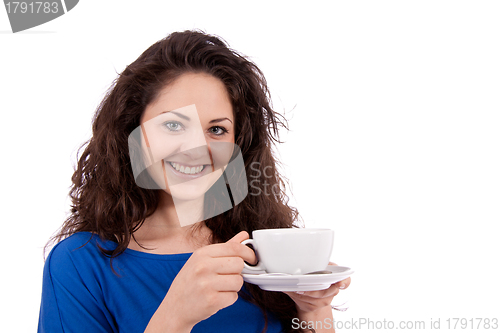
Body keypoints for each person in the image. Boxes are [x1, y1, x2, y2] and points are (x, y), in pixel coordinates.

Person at [38, 30, 351, 333]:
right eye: (174, 124)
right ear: (132, 131)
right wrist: (174, 317)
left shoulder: (268, 253)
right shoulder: (79, 264)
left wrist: (314, 311)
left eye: (216, 130)